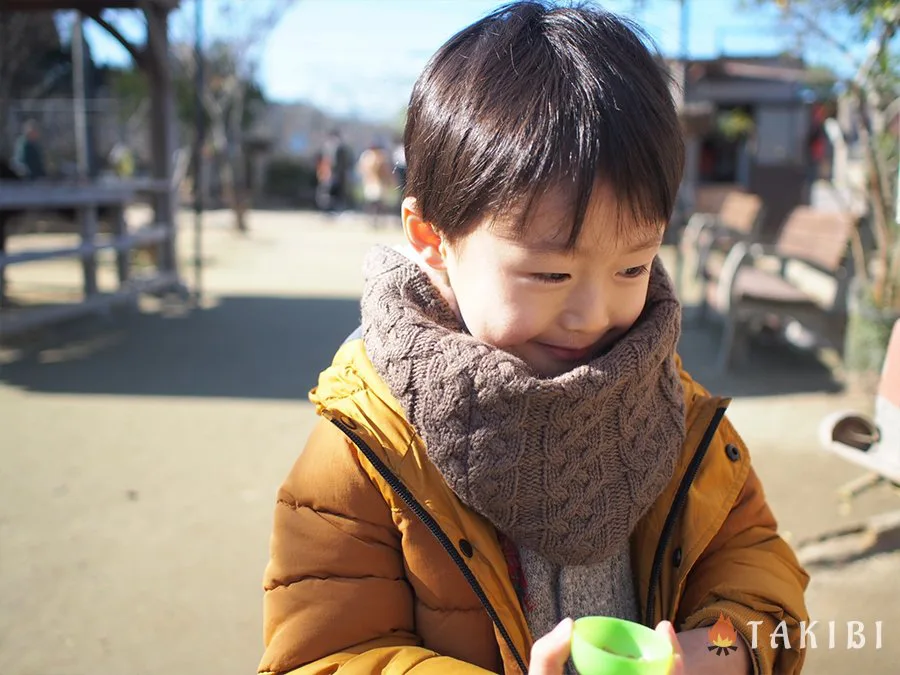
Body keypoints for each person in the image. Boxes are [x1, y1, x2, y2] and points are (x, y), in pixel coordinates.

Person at [258, 4, 809, 675]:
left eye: (633, 267)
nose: (593, 313)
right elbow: (325, 653)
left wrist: (722, 652)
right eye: (550, 272)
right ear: (434, 240)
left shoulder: (673, 408)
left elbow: (757, 569)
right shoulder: (368, 443)